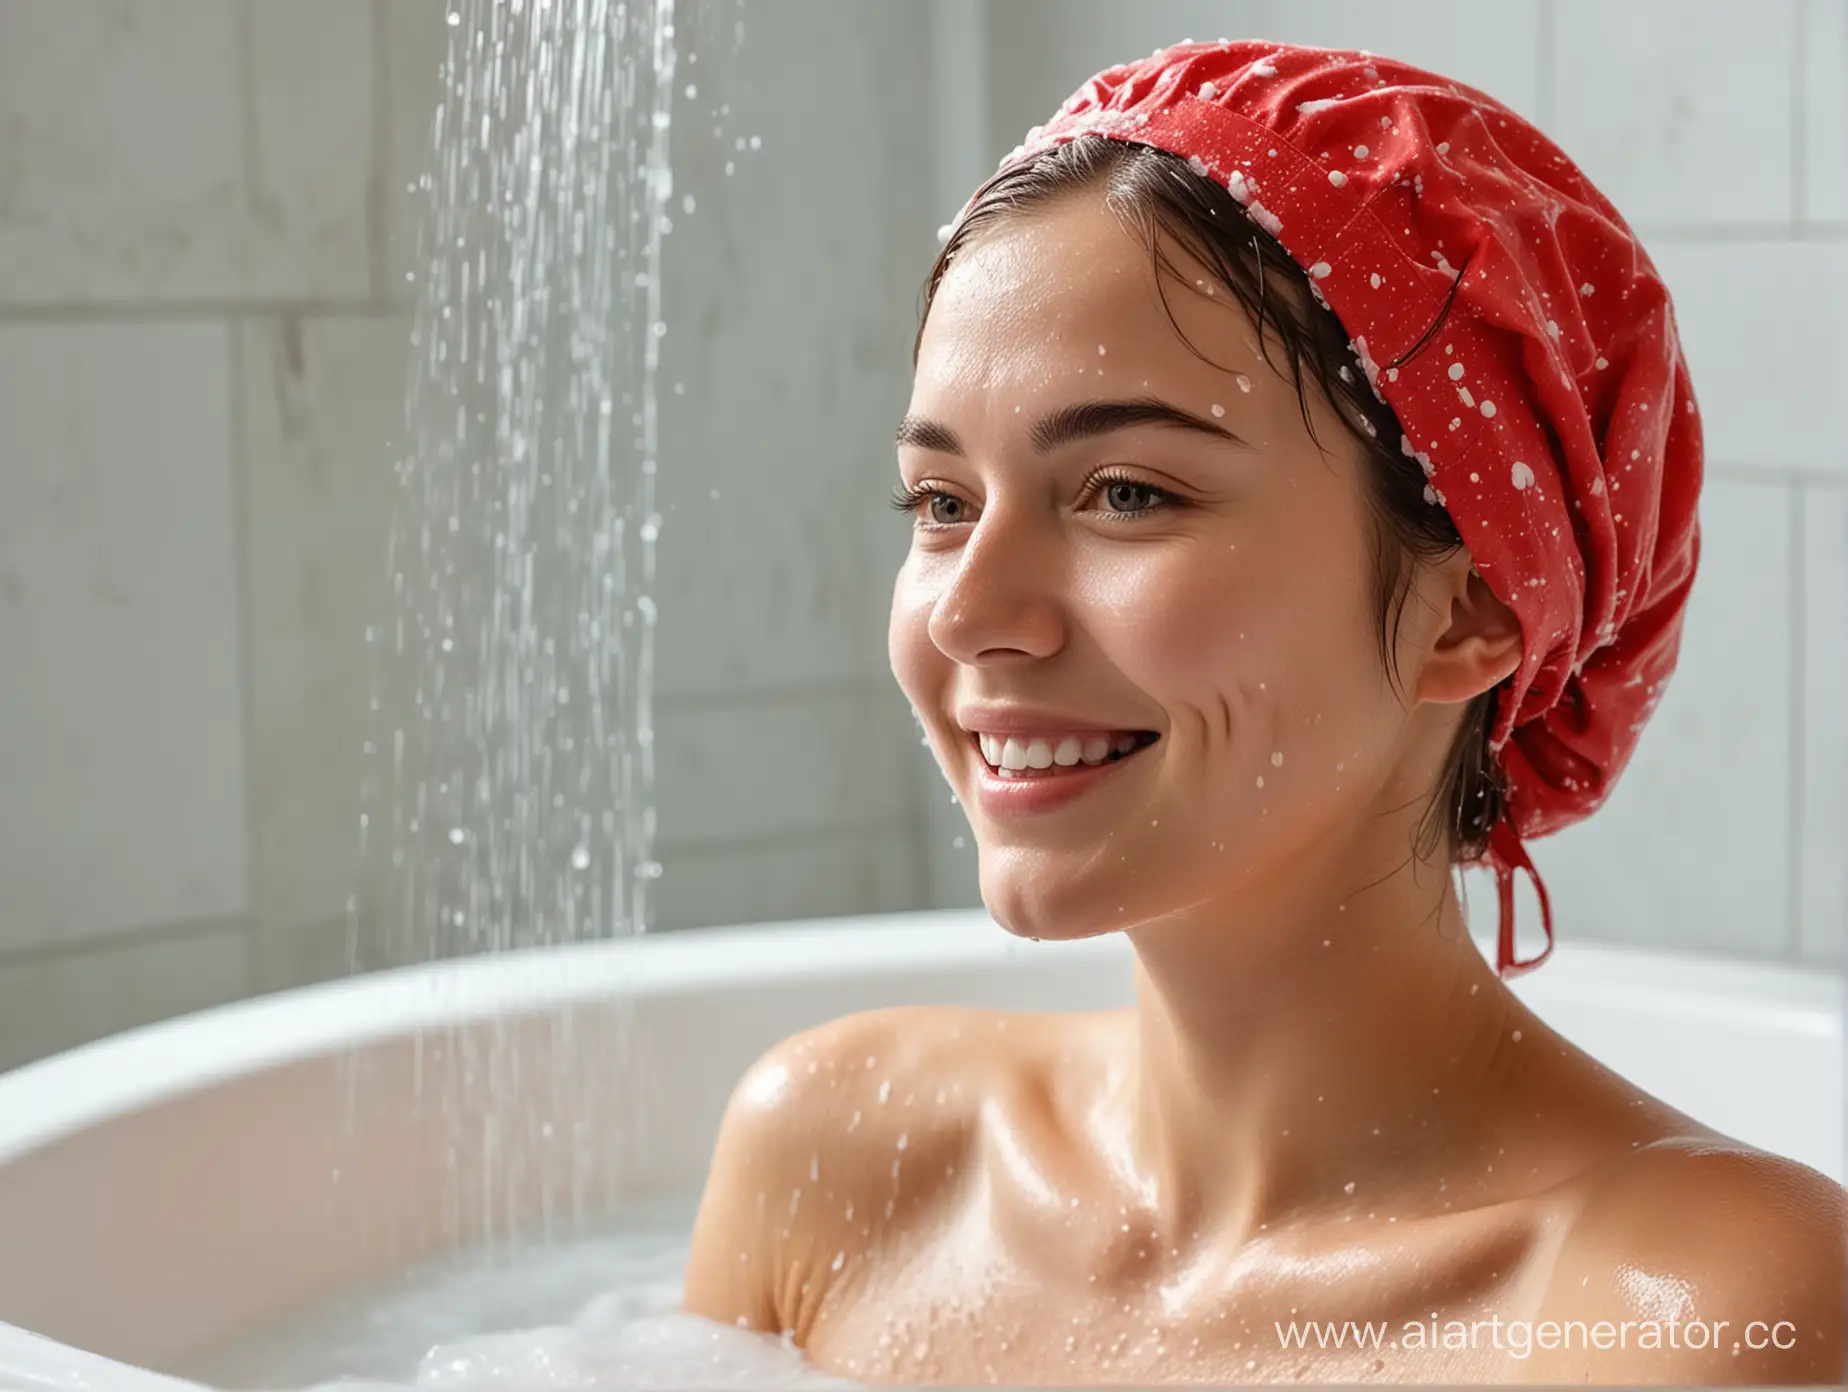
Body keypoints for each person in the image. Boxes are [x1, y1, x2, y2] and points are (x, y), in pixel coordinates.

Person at [682, 39, 1846, 1385]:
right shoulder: (838, 1158)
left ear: (1469, 610)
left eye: (1128, 492)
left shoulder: (1688, 1311)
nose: (966, 611)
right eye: (942, 505)